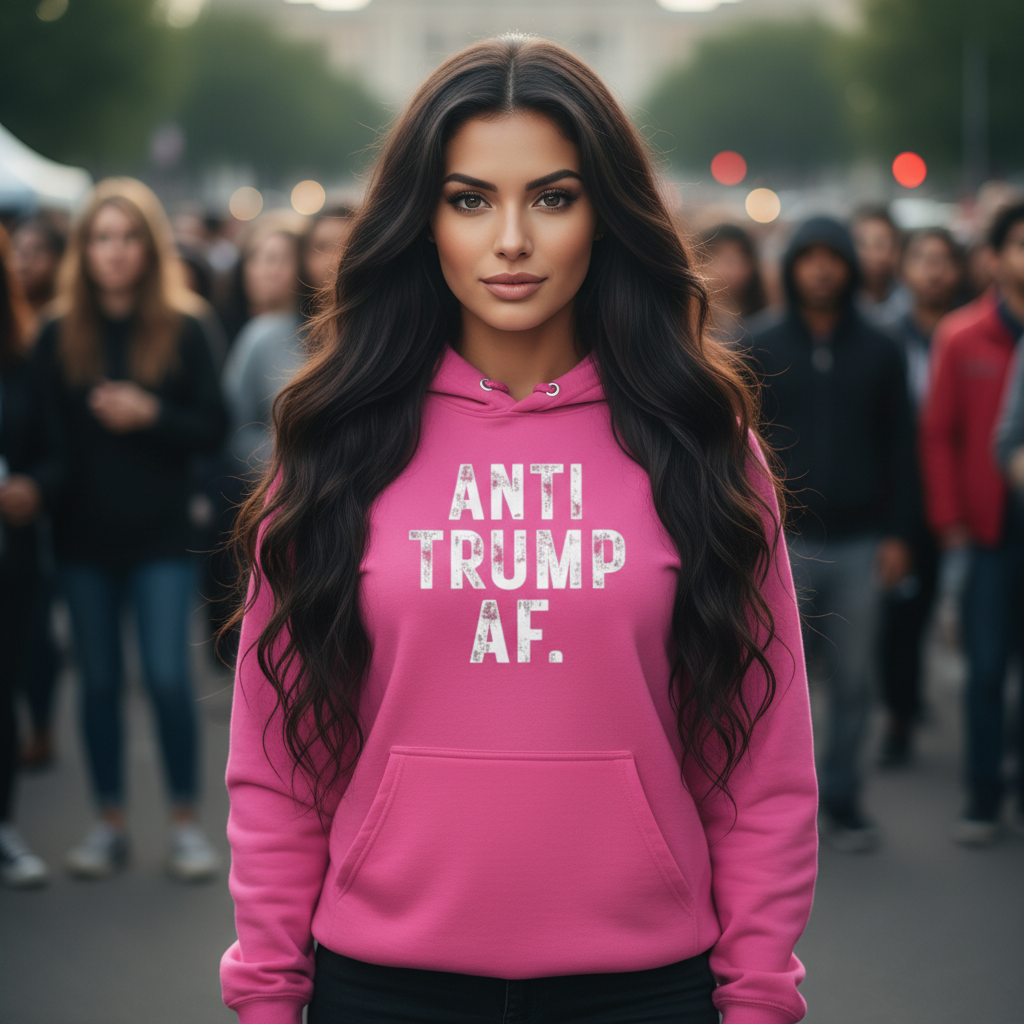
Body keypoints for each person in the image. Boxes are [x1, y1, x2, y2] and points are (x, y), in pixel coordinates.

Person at [220, 36, 817, 1024]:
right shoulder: (337, 447)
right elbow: (281, 759)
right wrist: (267, 997)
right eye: (467, 199)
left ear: (604, 215)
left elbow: (759, 764)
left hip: (644, 988)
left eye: (550, 196)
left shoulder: (700, 449)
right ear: (424, 222)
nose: (510, 239)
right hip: (382, 985)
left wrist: (757, 1001)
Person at [33, 178, 227, 880]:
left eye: (128, 238)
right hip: (83, 537)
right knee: (100, 683)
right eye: (102, 239)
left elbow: (214, 425)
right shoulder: (57, 333)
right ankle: (108, 819)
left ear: (149, 247)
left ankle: (183, 820)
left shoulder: (186, 324)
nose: (115, 253)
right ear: (84, 250)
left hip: (160, 534)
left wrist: (153, 416)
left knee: (170, 677)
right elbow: (47, 443)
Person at [751, 216, 915, 853]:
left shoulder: (881, 348)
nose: (820, 269)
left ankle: (843, 797)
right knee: (777, 683)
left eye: (832, 257)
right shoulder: (757, 344)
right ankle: (778, 814)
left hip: (859, 543)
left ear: (850, 266)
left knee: (852, 680)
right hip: (778, 546)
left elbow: (902, 447)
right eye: (808, 257)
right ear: (790, 266)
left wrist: (900, 534)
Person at [926, 202, 1024, 844]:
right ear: (994, 256)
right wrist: (950, 517)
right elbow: (940, 434)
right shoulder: (963, 334)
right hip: (989, 533)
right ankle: (984, 795)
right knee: (985, 667)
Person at [877, 229, 964, 765]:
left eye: (945, 260)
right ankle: (900, 716)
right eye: (923, 259)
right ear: (904, 268)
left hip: (959, 497)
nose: (934, 270)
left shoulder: (965, 332)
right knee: (901, 619)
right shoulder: (887, 337)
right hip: (904, 495)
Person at [0, 223, 61, 887]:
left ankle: (4, 824)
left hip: (9, 556)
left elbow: (55, 454)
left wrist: (35, 485)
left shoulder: (23, 354)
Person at [699, 223, 768, 347]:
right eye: (720, 258)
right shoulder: (689, 319)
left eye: (737, 260)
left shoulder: (766, 319)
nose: (730, 270)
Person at [852, 206, 910, 326]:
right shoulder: (839, 304)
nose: (872, 254)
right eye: (862, 244)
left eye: (880, 244)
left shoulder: (911, 301)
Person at [12, 215, 66, 318]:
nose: (24, 263)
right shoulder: (7, 316)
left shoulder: (64, 319)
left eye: (37, 253)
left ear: (59, 261)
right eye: (18, 250)